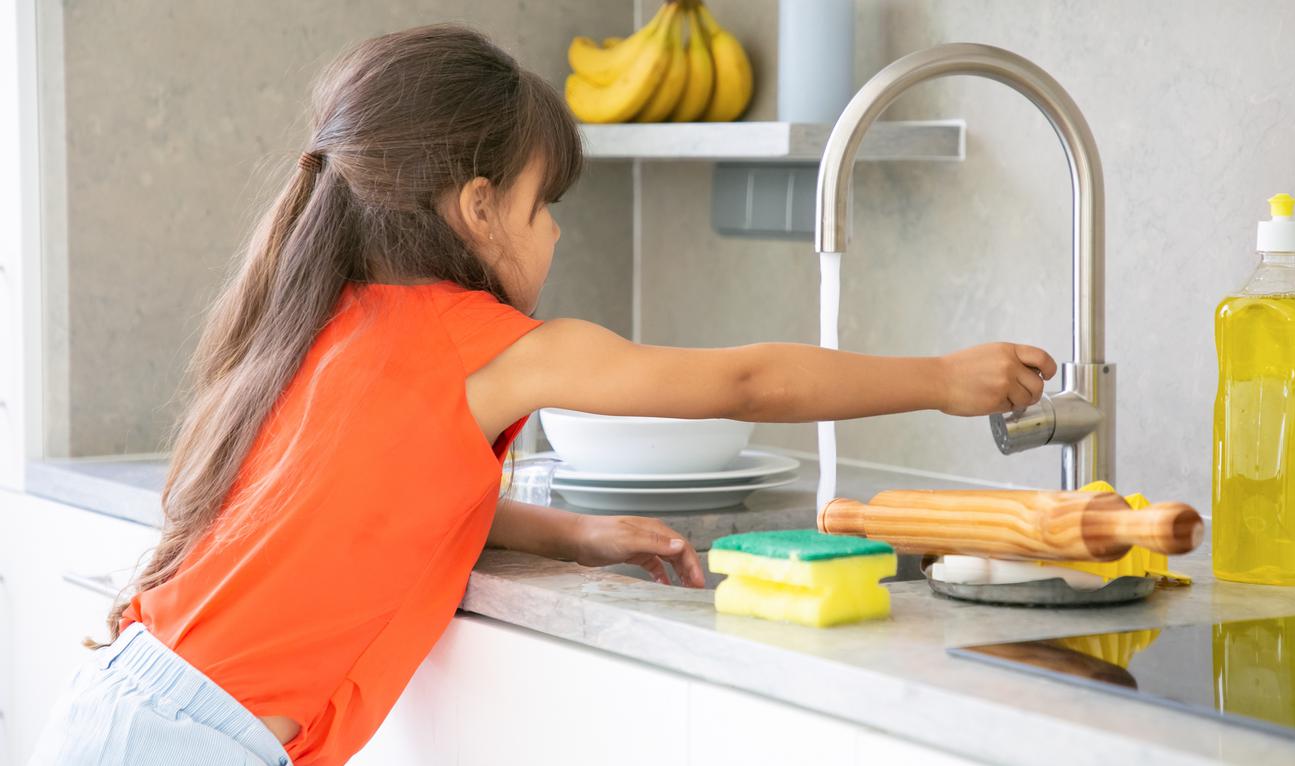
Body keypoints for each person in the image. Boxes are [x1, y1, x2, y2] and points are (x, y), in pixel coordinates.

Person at [29, 24, 1055, 766]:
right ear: (478, 208)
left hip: (133, 704)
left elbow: (372, 512)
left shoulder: (335, 317)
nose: (556, 232)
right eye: (543, 203)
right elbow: (743, 379)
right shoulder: (485, 347)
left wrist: (573, 536)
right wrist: (940, 378)